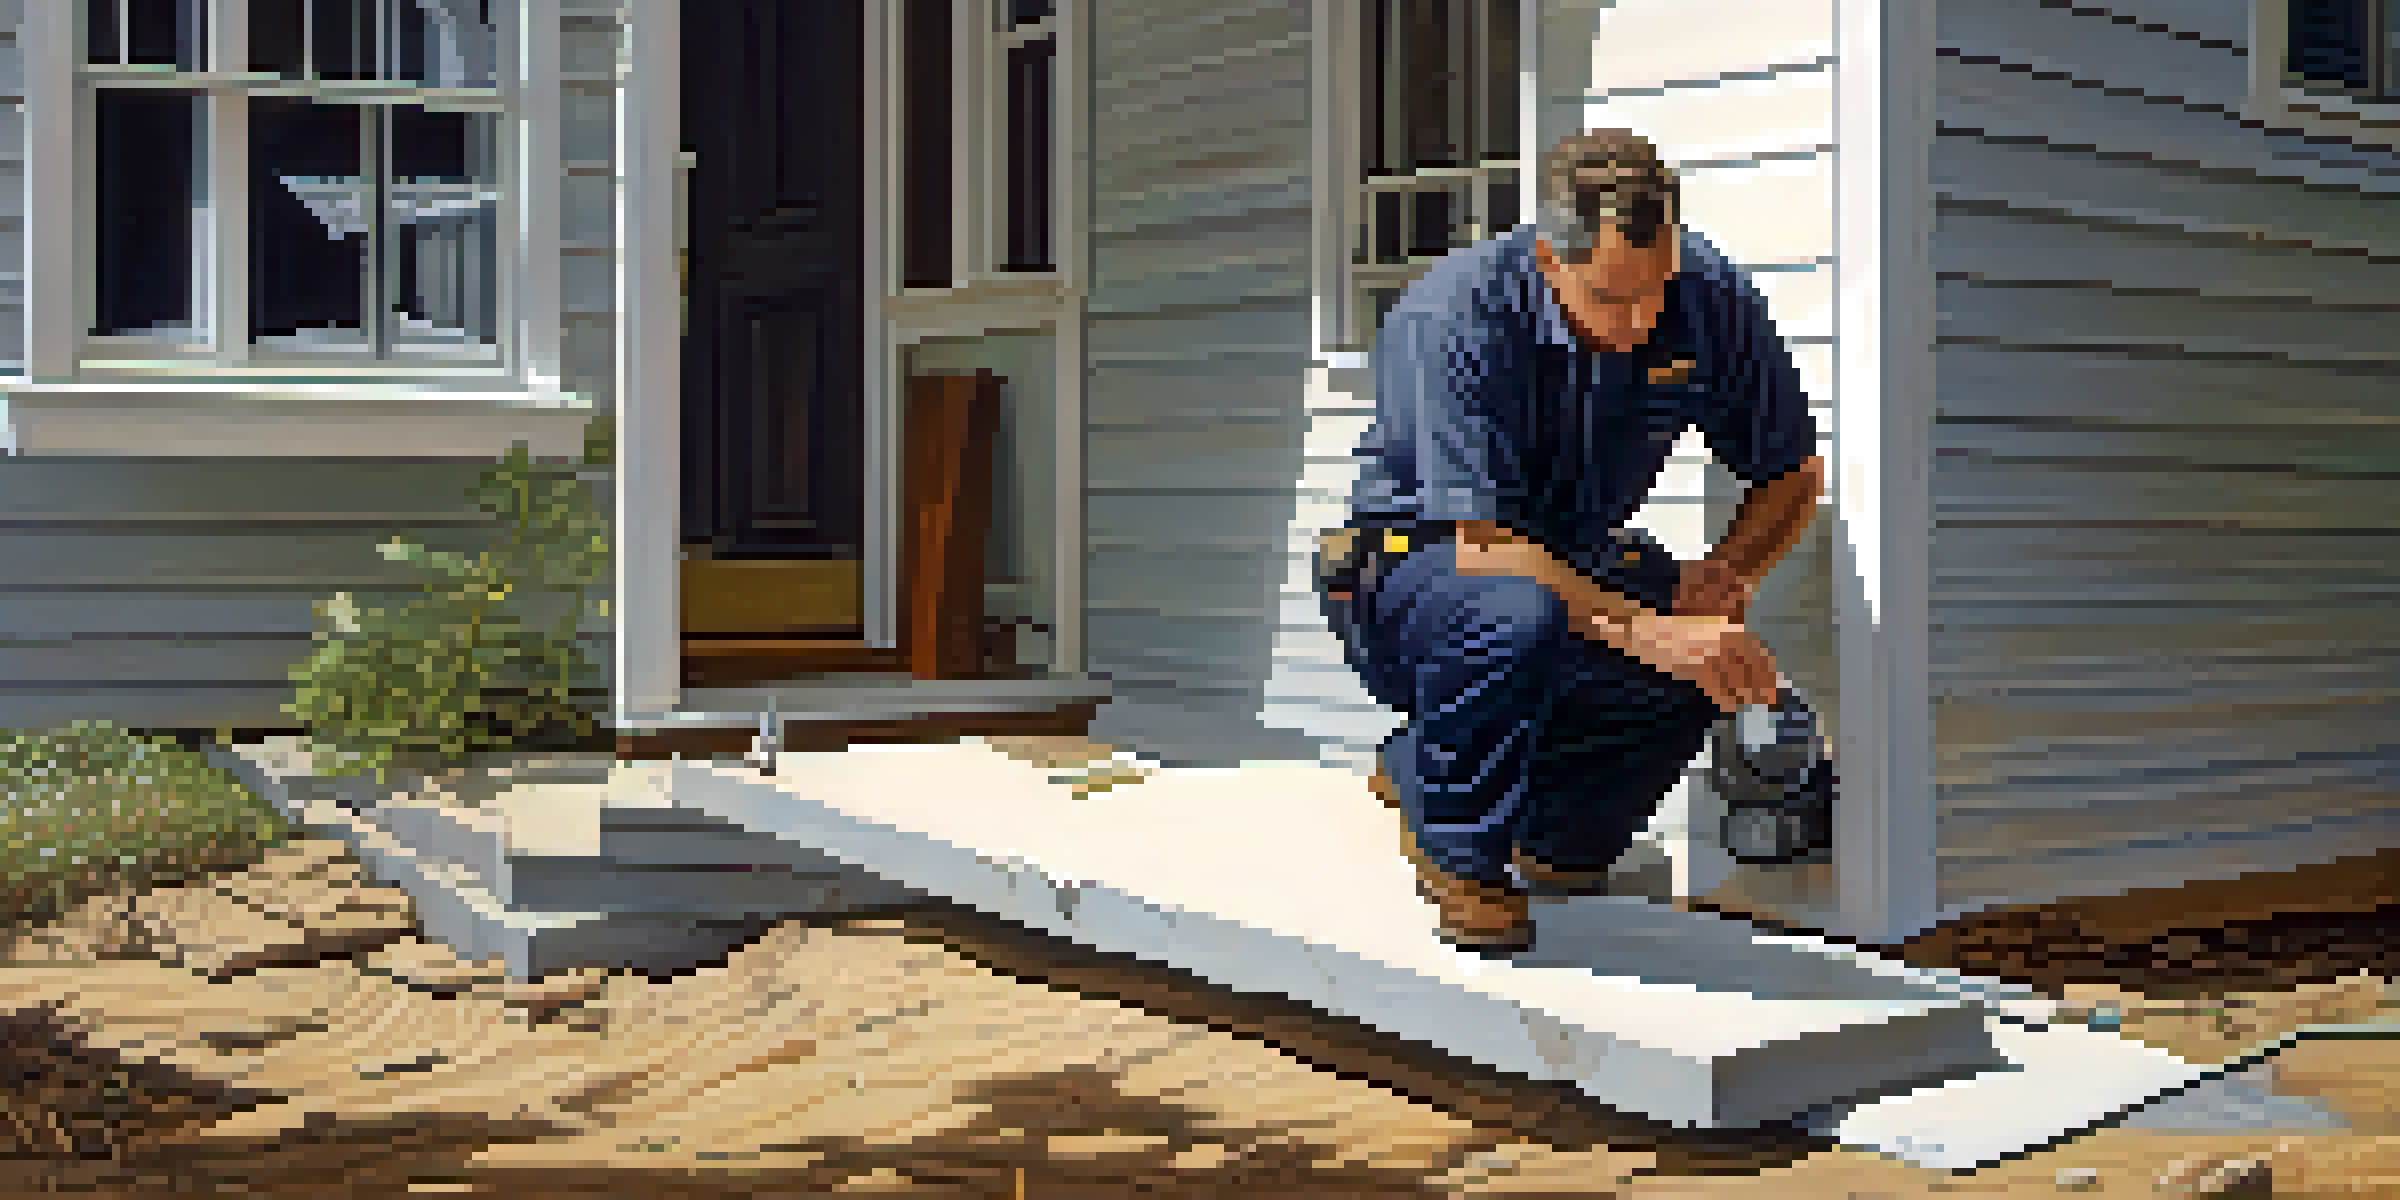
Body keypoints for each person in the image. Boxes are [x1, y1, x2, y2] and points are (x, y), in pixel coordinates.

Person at [1320, 128, 1826, 955]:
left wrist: (1726, 576)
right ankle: (1460, 858)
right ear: (1550, 262)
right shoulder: (1455, 314)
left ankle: (1480, 798)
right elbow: (1486, 548)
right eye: (1612, 300)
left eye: (1656, 291)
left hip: (1573, 561)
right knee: (1518, 616)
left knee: (1701, 664)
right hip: (1417, 569)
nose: (1642, 321)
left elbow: (1792, 473)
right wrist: (1651, 632)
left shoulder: (1709, 295)